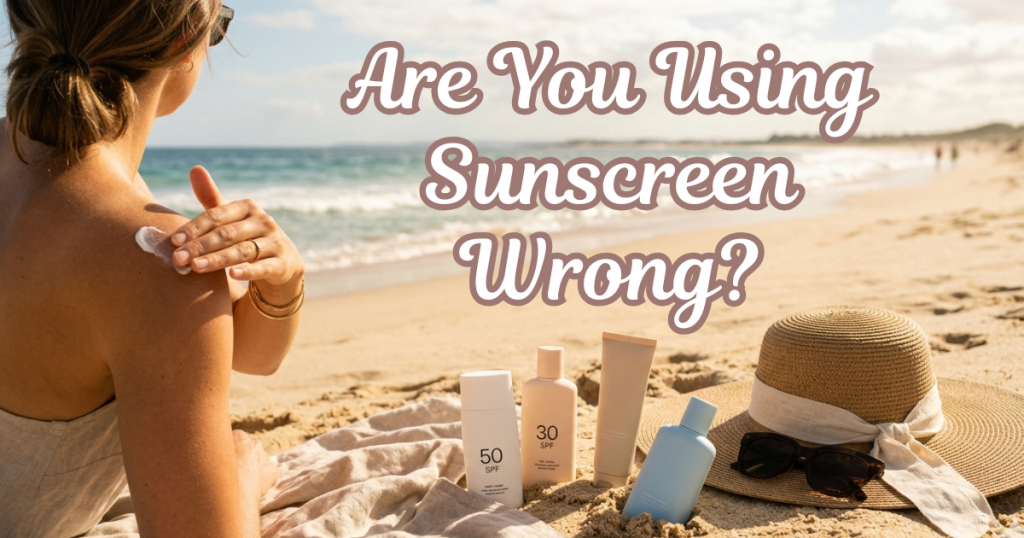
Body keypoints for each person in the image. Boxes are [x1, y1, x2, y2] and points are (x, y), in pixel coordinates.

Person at [0, 1, 304, 536]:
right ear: (182, 43)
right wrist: (242, 475)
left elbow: (251, 356)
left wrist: (283, 282)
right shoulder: (145, 259)